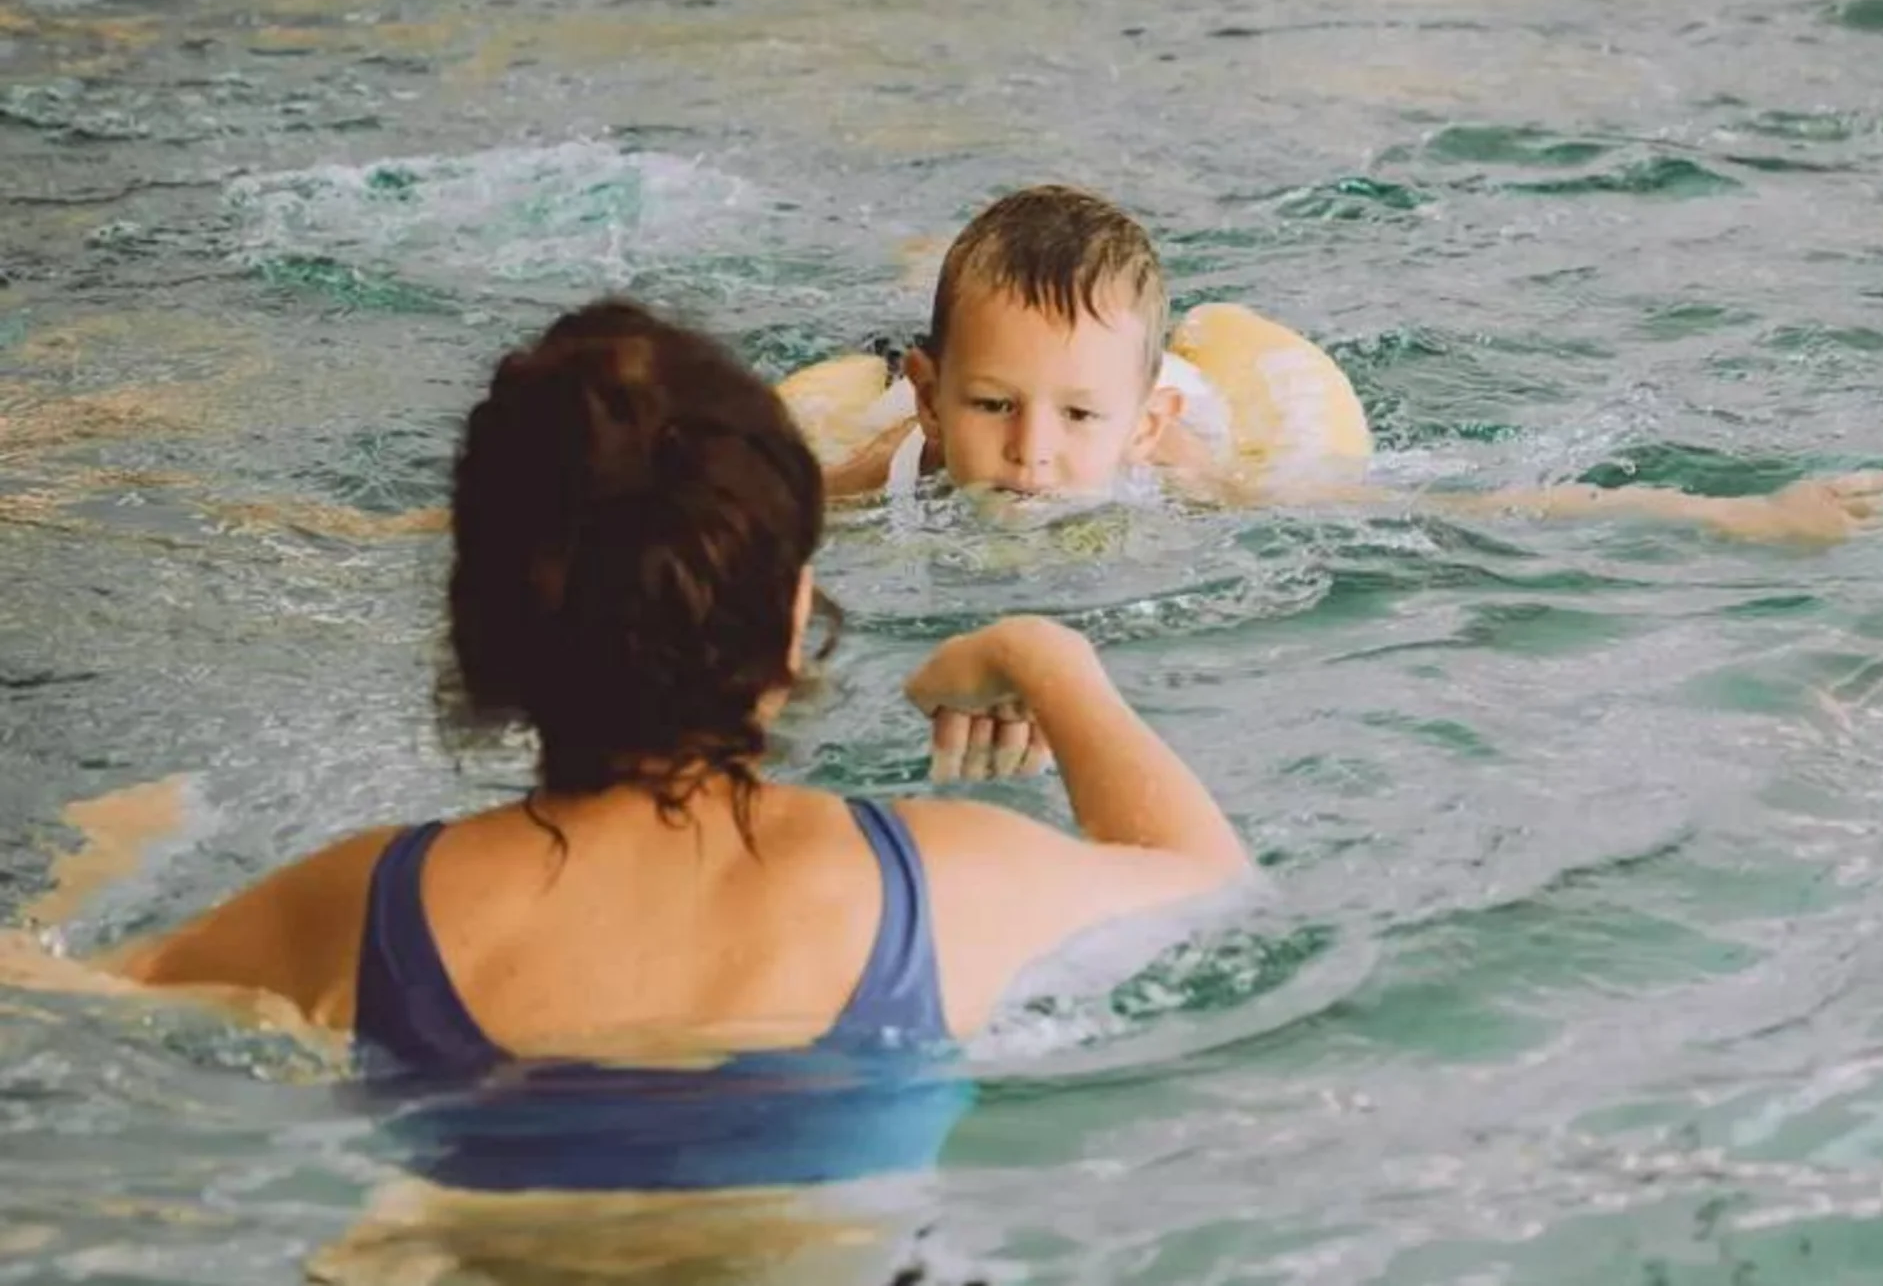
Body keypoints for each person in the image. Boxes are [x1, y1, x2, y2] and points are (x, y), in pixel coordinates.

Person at [99, 297, 1250, 1219]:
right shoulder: (935, 883)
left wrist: (95, 867)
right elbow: (1209, 880)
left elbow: (59, 994)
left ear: (479, 630)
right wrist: (1048, 658)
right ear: (795, 621)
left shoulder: (356, 908)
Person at [786, 185, 1883, 545]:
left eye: (1078, 417)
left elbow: (1482, 507)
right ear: (932, 399)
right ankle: (924, 267)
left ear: (1138, 423)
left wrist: (1736, 517)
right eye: (991, 406)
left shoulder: (1193, 475)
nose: (1030, 453)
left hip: (1211, 397)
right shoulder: (902, 456)